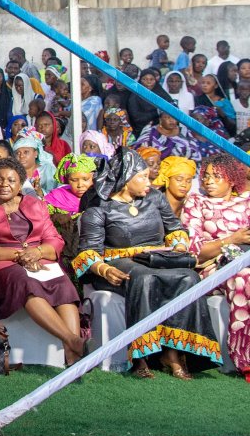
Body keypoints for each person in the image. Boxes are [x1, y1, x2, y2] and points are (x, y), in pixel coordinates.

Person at [72, 148, 220, 379]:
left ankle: (172, 353)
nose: (148, 181)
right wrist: (104, 269)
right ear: (125, 180)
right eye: (141, 176)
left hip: (158, 258)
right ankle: (140, 355)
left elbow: (175, 229)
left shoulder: (155, 198)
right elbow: (88, 250)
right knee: (143, 277)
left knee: (189, 277)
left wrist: (179, 247)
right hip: (116, 262)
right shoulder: (99, 205)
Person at [0, 157, 84, 365]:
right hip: (2, 262)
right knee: (26, 282)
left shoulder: (35, 205)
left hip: (38, 258)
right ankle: (73, 341)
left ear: (21, 184)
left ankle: (74, 358)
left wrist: (37, 252)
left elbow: (54, 240)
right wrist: (20, 255)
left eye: (11, 180)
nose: (4, 185)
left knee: (63, 283)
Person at [181, 154, 250, 380]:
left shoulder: (247, 202)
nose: (208, 181)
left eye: (216, 176)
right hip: (214, 267)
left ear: (232, 179)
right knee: (242, 278)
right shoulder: (196, 202)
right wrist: (232, 239)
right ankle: (244, 359)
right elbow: (195, 251)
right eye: (206, 176)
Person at [45, 153, 97, 272]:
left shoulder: (98, 197)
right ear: (67, 180)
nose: (80, 185)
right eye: (74, 180)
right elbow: (41, 217)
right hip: (64, 250)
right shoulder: (56, 197)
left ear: (93, 178)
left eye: (85, 179)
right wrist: (56, 217)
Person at [135, 113, 200, 160]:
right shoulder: (150, 132)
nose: (171, 120)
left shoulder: (184, 131)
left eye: (174, 117)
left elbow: (194, 152)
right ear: (160, 119)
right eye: (167, 117)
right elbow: (141, 151)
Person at [153, 155, 196, 220]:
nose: (184, 185)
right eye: (179, 179)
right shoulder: (153, 203)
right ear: (167, 179)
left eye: (188, 181)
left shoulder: (193, 205)